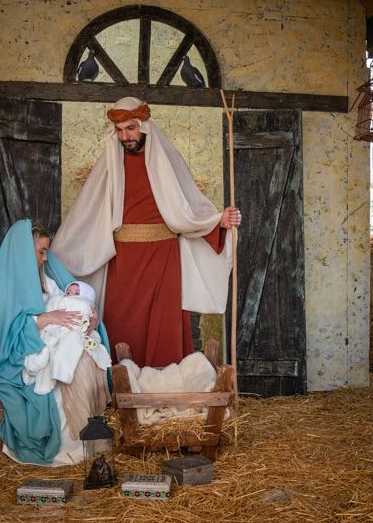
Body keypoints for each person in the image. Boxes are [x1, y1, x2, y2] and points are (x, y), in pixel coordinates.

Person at [51, 97, 242, 367]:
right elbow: (88, 211)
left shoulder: (167, 161)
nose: (124, 136)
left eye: (130, 128)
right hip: (123, 258)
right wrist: (60, 254)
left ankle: (163, 385)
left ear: (144, 127)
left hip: (163, 258)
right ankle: (122, 386)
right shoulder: (109, 164)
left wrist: (218, 221)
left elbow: (188, 207)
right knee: (119, 321)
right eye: (119, 130)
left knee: (163, 325)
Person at [0, 220, 111, 466]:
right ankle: (72, 445)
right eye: (41, 251)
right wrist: (43, 319)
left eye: (46, 251)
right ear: (24, 252)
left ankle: (91, 436)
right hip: (20, 357)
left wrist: (89, 320)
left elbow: (75, 300)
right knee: (58, 382)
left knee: (85, 358)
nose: (46, 258)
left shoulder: (46, 279)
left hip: (53, 342)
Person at [22, 279, 112, 405]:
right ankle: (36, 363)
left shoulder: (78, 300)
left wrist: (91, 321)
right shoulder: (58, 299)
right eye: (68, 292)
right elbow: (50, 308)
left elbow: (86, 313)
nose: (70, 295)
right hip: (52, 329)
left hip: (71, 331)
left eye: (76, 293)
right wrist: (49, 319)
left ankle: (62, 372)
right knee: (47, 345)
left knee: (70, 346)